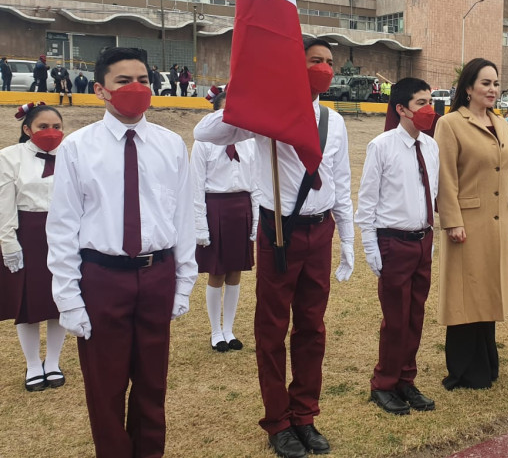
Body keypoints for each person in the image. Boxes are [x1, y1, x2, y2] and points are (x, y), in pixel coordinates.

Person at [194, 37, 352, 457]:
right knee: (272, 328)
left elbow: (341, 184)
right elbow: (204, 131)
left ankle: (305, 415)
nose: (323, 67)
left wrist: (348, 239)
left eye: (328, 61)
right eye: (314, 60)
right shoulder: (266, 114)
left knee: (312, 328)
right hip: (278, 229)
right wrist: (253, 97)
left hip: (320, 230)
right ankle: (278, 420)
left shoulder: (333, 122)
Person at [47, 47, 197, 456]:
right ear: (100, 90)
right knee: (105, 387)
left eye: (144, 80)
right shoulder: (78, 148)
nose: (136, 88)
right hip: (101, 278)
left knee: (153, 384)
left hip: (157, 274)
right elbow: (61, 226)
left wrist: (183, 284)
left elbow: (182, 217)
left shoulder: (170, 145)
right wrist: (69, 300)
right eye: (124, 81)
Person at [434, 57, 508, 390]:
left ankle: (487, 361)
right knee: (464, 293)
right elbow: (445, 176)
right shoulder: (451, 124)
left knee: (488, 290)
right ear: (468, 87)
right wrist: (452, 220)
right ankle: (463, 369)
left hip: (499, 221)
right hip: (467, 223)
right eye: (485, 83)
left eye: (496, 83)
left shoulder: (501, 124)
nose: (492, 89)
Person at [356, 77, 439, 415]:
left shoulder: (431, 146)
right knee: (395, 319)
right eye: (421, 103)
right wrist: (371, 247)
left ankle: (407, 379)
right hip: (393, 242)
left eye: (430, 101)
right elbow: (367, 201)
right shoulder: (382, 146)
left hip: (423, 240)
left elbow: (431, 195)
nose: (429, 109)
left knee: (415, 316)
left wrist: (430, 239)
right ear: (402, 108)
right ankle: (384, 383)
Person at [0, 103, 67, 392]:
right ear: (27, 129)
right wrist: (9, 243)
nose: (51, 132)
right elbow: (4, 205)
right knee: (26, 303)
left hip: (64, 235)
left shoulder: (70, 155)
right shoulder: (9, 157)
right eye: (43, 126)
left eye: (56, 126)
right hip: (28, 235)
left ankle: (53, 361)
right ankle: (31, 364)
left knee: (60, 300)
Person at [191, 90, 260, 353]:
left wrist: (254, 221)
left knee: (235, 272)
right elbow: (196, 186)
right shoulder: (204, 143)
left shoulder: (249, 142)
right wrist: (200, 225)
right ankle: (215, 331)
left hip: (241, 208)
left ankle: (229, 329)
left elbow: (255, 184)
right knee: (216, 272)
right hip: (215, 208)